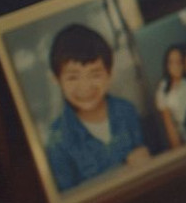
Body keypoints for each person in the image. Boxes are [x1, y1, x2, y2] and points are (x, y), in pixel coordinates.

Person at [44, 23, 150, 192]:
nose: (85, 87)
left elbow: (144, 158)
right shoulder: (57, 141)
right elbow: (68, 200)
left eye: (95, 74)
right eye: (73, 77)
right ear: (56, 80)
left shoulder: (127, 111)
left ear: (110, 75)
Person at [154, 45, 186, 148]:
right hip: (183, 139)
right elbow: (169, 126)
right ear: (167, 65)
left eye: (179, 62)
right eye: (171, 62)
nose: (175, 66)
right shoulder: (163, 89)